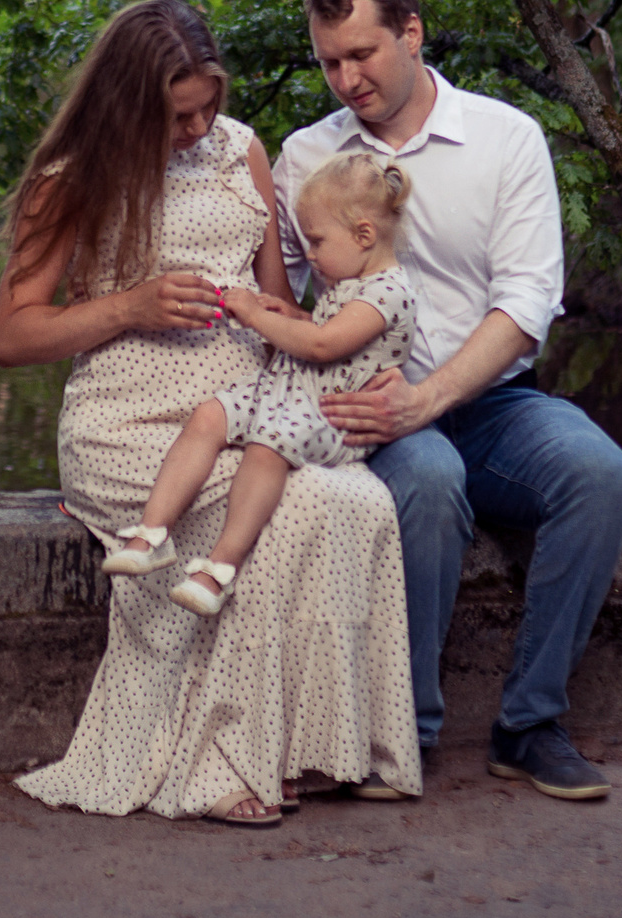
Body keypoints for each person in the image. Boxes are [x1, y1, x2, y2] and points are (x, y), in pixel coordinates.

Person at [0, 0, 418, 827]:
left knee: (354, 497)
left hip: (249, 402)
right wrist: (131, 305)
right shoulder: (71, 180)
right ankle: (222, 763)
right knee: (283, 515)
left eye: (208, 105)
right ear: (127, 106)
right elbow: (13, 334)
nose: (198, 128)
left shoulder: (242, 150)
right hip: (130, 422)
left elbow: (277, 297)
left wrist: (345, 358)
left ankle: (314, 747)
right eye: (176, 116)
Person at [277, 0, 622, 802]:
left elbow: (527, 302)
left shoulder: (506, 138)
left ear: (412, 32)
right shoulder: (305, 156)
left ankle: (530, 724)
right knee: (430, 481)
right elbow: (276, 293)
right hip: (366, 409)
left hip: (489, 402)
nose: (347, 78)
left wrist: (430, 398)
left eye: (363, 54)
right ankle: (404, 733)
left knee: (601, 474)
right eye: (330, 61)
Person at [100, 152, 418, 621]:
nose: (309, 254)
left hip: (329, 414)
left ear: (363, 235)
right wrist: (295, 315)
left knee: (266, 447)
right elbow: (328, 328)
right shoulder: (356, 282)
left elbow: (326, 345)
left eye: (317, 240)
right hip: (288, 390)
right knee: (210, 414)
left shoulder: (390, 291)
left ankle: (220, 567)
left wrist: (254, 316)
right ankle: (152, 532)